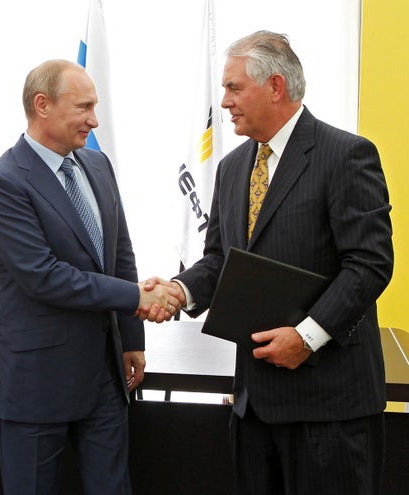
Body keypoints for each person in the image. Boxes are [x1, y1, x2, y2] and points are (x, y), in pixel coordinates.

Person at [147, 31, 393, 495]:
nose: (224, 102)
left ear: (275, 86)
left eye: (234, 88)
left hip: (330, 410)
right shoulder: (233, 167)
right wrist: (178, 290)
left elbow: (369, 263)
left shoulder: (346, 155)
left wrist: (306, 337)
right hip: (254, 411)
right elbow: (221, 260)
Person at [0, 59, 181, 495]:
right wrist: (137, 298)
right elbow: (44, 277)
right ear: (42, 105)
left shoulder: (97, 164)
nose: (94, 119)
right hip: (36, 381)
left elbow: (120, 255)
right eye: (84, 106)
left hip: (104, 378)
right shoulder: (2, 182)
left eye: (96, 105)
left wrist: (131, 340)